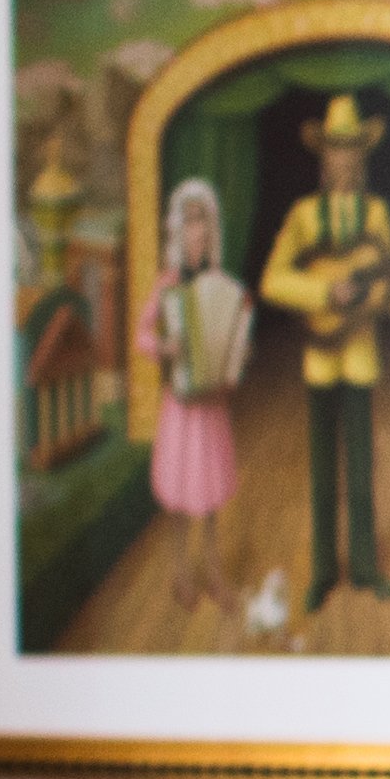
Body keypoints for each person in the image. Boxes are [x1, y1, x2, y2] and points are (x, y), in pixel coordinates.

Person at [252, 89, 390, 611]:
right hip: (320, 357)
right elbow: (272, 280)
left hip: (361, 356)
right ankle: (321, 572)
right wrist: (322, 293)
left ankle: (364, 567)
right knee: (322, 471)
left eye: (353, 149)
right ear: (324, 157)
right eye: (337, 149)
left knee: (361, 468)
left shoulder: (378, 215)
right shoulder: (303, 216)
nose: (345, 158)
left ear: (363, 156)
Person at [148, 176, 248, 537]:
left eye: (203, 221)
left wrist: (237, 354)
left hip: (212, 402)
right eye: (190, 222)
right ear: (178, 229)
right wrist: (164, 347)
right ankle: (179, 562)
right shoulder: (169, 284)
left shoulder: (222, 284)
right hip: (180, 402)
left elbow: (231, 332)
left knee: (208, 484)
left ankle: (212, 559)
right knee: (179, 482)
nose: (198, 231)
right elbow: (142, 335)